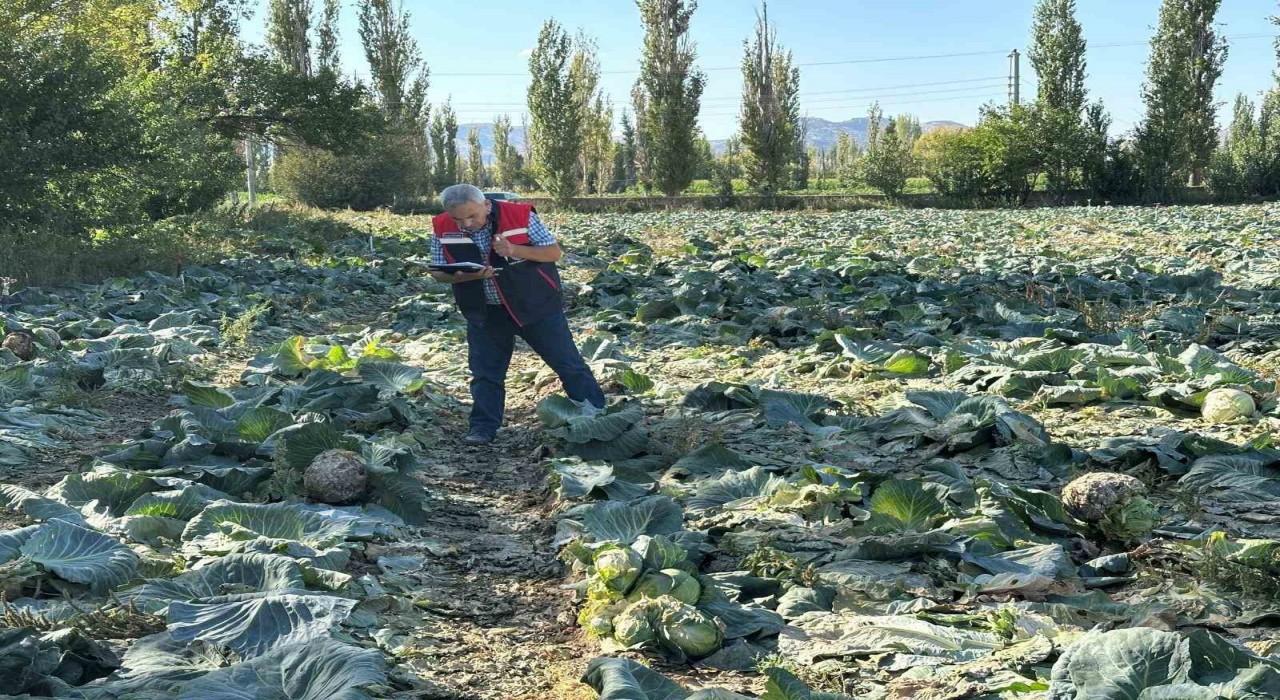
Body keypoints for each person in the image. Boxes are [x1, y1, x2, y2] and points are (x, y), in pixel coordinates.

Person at [429, 184, 606, 446]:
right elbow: (438, 273)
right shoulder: (442, 226)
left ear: (486, 206)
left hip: (535, 305)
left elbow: (553, 252)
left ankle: (598, 417)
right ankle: (482, 428)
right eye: (458, 219)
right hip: (484, 310)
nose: (466, 223)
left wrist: (514, 250)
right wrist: (467, 275)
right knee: (485, 373)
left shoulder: (521, 216)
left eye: (472, 216)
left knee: (568, 364)